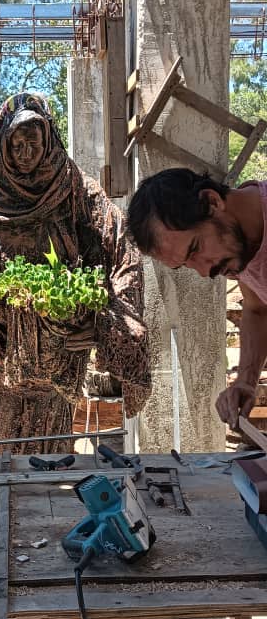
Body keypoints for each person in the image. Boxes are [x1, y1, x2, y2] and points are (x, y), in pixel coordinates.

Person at [0, 92, 151, 453]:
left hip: (51, 373)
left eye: (33, 143)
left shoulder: (73, 190)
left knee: (46, 470)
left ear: (48, 139)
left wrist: (105, 325)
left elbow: (123, 255)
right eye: (17, 144)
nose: (25, 153)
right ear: (3, 144)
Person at [126, 166, 267, 431]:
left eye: (195, 248)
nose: (204, 271)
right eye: (187, 264)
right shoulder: (239, 245)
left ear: (212, 201)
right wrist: (245, 382)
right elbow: (258, 308)